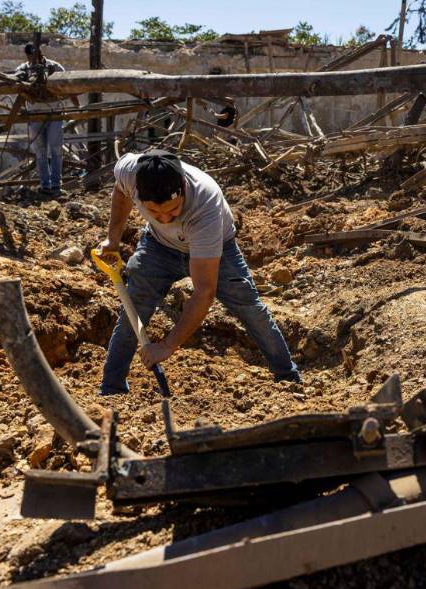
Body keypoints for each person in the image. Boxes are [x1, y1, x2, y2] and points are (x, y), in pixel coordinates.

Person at [98, 149, 300, 395]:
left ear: (182, 187)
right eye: (154, 212)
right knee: (134, 305)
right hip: (159, 247)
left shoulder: (205, 203)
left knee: (248, 306)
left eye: (172, 211)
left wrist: (168, 345)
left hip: (217, 248)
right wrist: (113, 239)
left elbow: (205, 291)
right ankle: (112, 386)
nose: (164, 218)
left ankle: (287, 376)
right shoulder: (130, 173)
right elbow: (120, 191)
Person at [15, 43, 79, 196]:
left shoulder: (54, 67)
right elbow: (16, 85)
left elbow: (67, 85)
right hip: (35, 115)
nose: (33, 60)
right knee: (41, 152)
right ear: (28, 57)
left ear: (41, 54)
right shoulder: (23, 69)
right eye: (30, 57)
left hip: (54, 114)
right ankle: (45, 185)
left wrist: (76, 104)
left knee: (56, 150)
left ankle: (56, 185)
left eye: (36, 56)